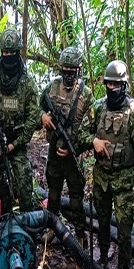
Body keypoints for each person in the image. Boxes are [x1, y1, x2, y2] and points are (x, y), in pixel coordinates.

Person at [76, 60, 134, 269]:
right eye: (109, 85)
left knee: (125, 229)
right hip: (101, 177)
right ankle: (101, 260)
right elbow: (80, 136)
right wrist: (94, 142)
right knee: (101, 222)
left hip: (124, 180)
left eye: (116, 85)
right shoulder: (98, 108)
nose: (112, 89)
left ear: (124, 86)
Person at [0, 27, 40, 214]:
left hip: (17, 143)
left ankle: (28, 224)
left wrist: (14, 144)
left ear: (18, 52)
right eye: (5, 52)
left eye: (12, 53)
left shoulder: (27, 82)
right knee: (1, 188)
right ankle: (4, 222)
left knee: (25, 187)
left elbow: (32, 119)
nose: (8, 56)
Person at [39, 47, 94, 245]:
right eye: (65, 71)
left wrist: (76, 148)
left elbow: (92, 129)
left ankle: (80, 235)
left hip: (73, 155)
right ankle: (53, 229)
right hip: (54, 150)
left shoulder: (86, 96)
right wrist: (43, 116)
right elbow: (38, 106)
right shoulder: (52, 87)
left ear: (79, 70)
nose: (69, 75)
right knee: (53, 193)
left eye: (72, 71)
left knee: (76, 198)